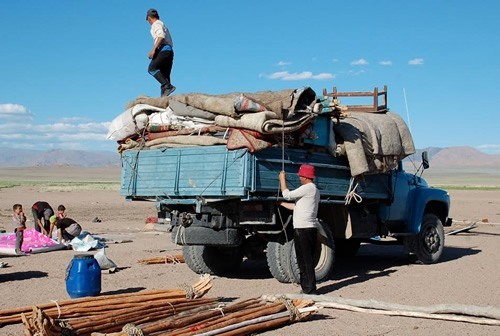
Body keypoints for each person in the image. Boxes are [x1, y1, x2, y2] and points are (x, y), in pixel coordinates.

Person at [279, 164, 320, 294]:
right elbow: (297, 207)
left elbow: (287, 195)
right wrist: (280, 204)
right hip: (305, 229)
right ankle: (306, 288)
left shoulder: (308, 188)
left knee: (305, 260)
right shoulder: (313, 190)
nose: (299, 178)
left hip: (304, 229)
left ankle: (310, 290)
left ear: (306, 177)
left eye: (301, 176)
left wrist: (282, 179)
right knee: (303, 259)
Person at [146, 8, 175, 97]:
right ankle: (164, 98)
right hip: (169, 52)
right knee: (164, 77)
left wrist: (154, 49)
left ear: (149, 18)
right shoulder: (162, 24)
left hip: (163, 50)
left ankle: (168, 86)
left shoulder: (156, 24)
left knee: (152, 69)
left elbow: (161, 36)